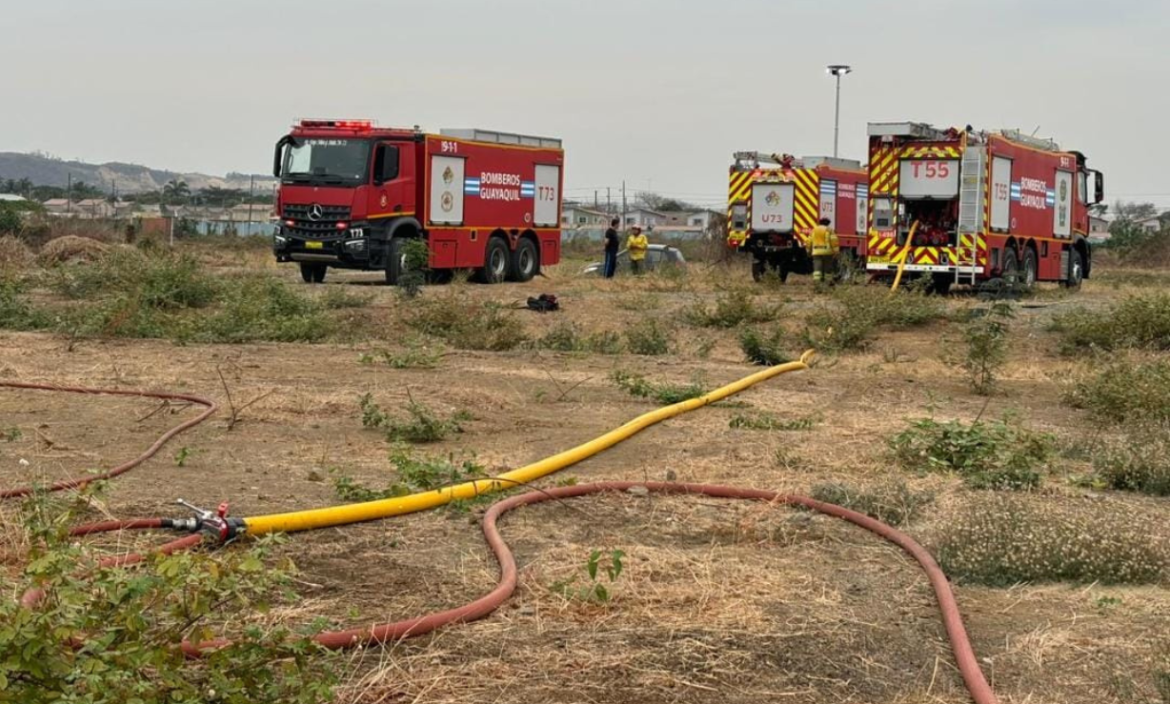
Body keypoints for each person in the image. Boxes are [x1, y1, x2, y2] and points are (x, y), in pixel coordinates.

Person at [808, 217, 839, 287]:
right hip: (827, 252)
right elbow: (834, 241)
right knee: (827, 269)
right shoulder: (830, 230)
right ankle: (828, 284)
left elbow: (809, 242)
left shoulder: (814, 230)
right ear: (827, 223)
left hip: (816, 252)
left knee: (817, 270)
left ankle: (817, 284)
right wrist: (836, 251)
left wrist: (808, 251)